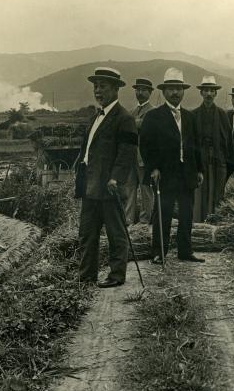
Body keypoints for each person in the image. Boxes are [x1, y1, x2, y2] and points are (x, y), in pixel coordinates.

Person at [73, 67, 138, 288]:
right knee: (87, 234)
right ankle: (86, 275)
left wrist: (116, 179)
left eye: (103, 86)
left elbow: (127, 152)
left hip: (109, 187)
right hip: (90, 188)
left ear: (116, 89)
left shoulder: (124, 118)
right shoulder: (95, 117)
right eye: (96, 86)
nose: (98, 91)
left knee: (116, 233)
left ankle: (117, 275)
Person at [140, 68, 205, 264]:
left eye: (178, 88)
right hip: (164, 174)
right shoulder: (153, 117)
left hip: (187, 173)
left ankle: (185, 251)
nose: (175, 92)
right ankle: (159, 251)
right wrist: (153, 168)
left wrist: (199, 169)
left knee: (186, 213)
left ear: (183, 91)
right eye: (171, 88)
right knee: (163, 213)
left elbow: (196, 145)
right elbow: (146, 145)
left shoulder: (190, 117)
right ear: (164, 91)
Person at [192, 75, 233, 222]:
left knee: (217, 194)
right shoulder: (194, 115)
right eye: (206, 91)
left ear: (215, 93)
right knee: (200, 193)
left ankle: (214, 224)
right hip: (199, 161)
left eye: (211, 91)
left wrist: (225, 161)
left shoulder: (222, 115)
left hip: (218, 160)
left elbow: (228, 142)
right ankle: (199, 224)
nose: (209, 94)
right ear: (201, 93)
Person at [122, 77, 155, 225]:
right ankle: (128, 220)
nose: (140, 93)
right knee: (129, 189)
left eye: (143, 90)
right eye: (138, 90)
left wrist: (131, 123)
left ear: (150, 93)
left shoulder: (153, 112)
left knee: (146, 189)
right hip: (130, 157)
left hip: (144, 158)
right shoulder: (131, 111)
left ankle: (146, 220)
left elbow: (144, 126)